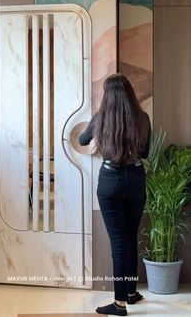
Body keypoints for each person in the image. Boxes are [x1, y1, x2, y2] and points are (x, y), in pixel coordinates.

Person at [79, 74, 151, 317]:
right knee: (130, 238)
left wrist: (98, 128)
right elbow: (145, 152)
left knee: (119, 244)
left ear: (107, 95)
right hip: (136, 180)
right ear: (130, 93)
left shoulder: (101, 118)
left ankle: (120, 304)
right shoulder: (142, 118)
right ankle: (130, 292)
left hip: (110, 182)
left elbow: (82, 139)